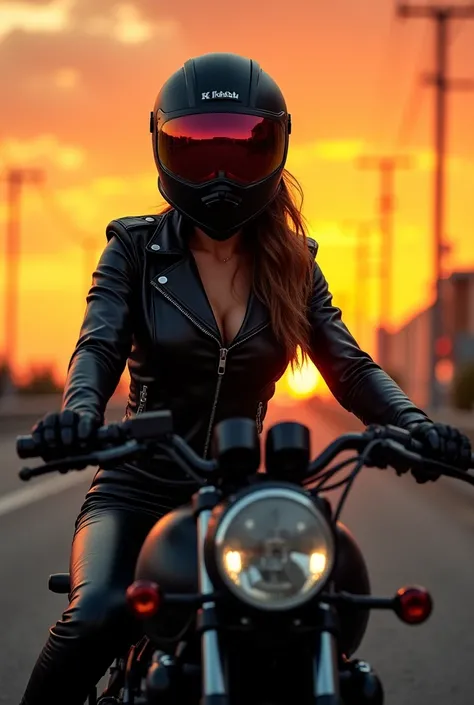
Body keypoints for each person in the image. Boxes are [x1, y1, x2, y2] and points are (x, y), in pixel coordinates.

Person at [20, 52, 471, 705]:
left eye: (242, 147)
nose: (222, 173)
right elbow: (98, 343)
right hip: (135, 489)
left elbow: (347, 363)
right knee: (96, 616)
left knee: (326, 605)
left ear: (275, 146)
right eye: (200, 149)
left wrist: (418, 428)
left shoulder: (293, 264)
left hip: (239, 498)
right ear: (164, 147)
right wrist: (79, 415)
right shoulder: (134, 250)